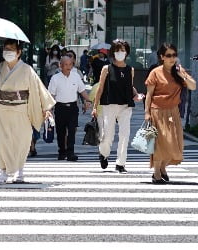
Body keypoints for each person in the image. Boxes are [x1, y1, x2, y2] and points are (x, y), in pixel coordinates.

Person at [0, 39, 56, 184]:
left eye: (12, 49)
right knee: (3, 141)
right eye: (6, 49)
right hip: (1, 109)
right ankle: (3, 171)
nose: (8, 52)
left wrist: (46, 108)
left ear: (19, 52)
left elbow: (39, 89)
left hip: (21, 108)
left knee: (22, 140)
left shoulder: (27, 70)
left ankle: (19, 170)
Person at [145, 43, 196, 183]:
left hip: (173, 112)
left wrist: (181, 75)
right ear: (162, 57)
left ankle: (162, 167)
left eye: (174, 55)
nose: (172, 58)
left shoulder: (179, 71)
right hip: (157, 111)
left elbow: (193, 86)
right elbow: (149, 95)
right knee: (160, 144)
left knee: (175, 144)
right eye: (168, 55)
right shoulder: (155, 72)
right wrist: (147, 113)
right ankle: (156, 173)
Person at [92, 39, 144, 173]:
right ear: (112, 52)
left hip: (126, 105)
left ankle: (120, 163)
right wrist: (94, 106)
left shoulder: (130, 69)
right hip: (109, 105)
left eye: (122, 50)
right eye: (117, 50)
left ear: (127, 52)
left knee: (125, 134)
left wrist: (136, 94)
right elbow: (101, 88)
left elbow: (129, 86)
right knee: (108, 135)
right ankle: (103, 153)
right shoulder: (106, 69)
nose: (120, 53)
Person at [48, 56, 92, 161]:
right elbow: (51, 95)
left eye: (70, 64)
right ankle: (62, 151)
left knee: (72, 131)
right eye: (66, 65)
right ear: (61, 66)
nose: (68, 67)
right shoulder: (55, 78)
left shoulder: (75, 76)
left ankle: (71, 152)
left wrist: (88, 100)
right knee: (60, 132)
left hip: (72, 107)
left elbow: (82, 90)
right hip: (60, 108)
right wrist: (49, 109)